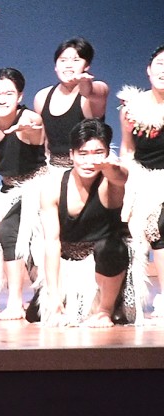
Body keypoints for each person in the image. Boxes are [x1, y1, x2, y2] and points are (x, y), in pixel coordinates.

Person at [37, 118, 131, 327]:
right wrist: (54, 298)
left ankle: (105, 310)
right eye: (83, 154)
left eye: (98, 153)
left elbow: (121, 177)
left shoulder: (111, 182)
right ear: (71, 155)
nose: (90, 162)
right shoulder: (52, 187)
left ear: (108, 153)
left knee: (110, 247)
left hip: (106, 267)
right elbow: (52, 242)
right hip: (68, 265)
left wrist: (110, 168)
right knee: (36, 315)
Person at [0, 67, 47, 321]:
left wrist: (28, 128)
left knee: (13, 231)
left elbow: (36, 130)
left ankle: (31, 296)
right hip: (8, 190)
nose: (2, 99)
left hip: (38, 187)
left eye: (8, 93)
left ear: (19, 96)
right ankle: (17, 300)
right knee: (7, 232)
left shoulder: (30, 118)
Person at [118, 44, 164, 320]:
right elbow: (127, 149)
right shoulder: (132, 108)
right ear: (148, 69)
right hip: (142, 177)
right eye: (160, 64)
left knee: (160, 227)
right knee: (134, 235)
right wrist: (127, 183)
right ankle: (131, 300)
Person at [33, 38, 109, 168]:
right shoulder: (42, 97)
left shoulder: (99, 89)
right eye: (63, 60)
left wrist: (84, 81)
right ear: (55, 66)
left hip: (89, 168)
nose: (68, 65)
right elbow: (43, 141)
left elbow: (89, 92)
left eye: (76, 60)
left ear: (86, 65)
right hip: (54, 168)